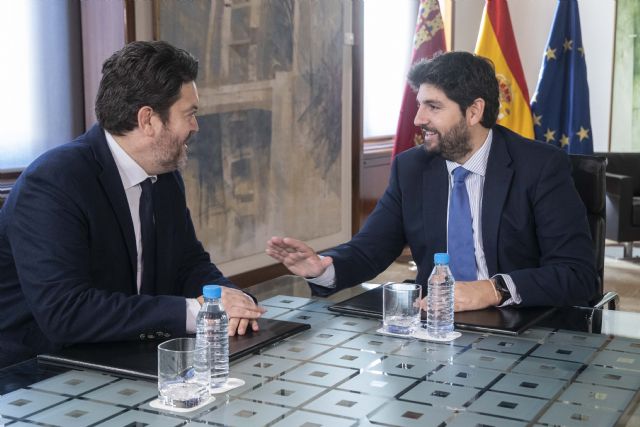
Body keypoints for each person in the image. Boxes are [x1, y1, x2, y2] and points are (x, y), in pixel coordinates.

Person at [0, 41, 265, 368]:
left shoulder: (164, 175)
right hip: (37, 375)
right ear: (148, 120)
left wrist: (231, 300)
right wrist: (195, 312)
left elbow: (188, 263)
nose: (195, 126)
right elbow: (66, 312)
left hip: (124, 359)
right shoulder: (53, 183)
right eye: (190, 114)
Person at [267, 51, 596, 312]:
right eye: (419, 104)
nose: (418, 119)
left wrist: (492, 290)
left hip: (521, 321)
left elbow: (577, 274)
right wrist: (323, 268)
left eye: (433, 107)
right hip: (433, 321)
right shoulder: (412, 168)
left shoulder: (539, 167)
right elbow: (370, 250)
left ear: (473, 111)